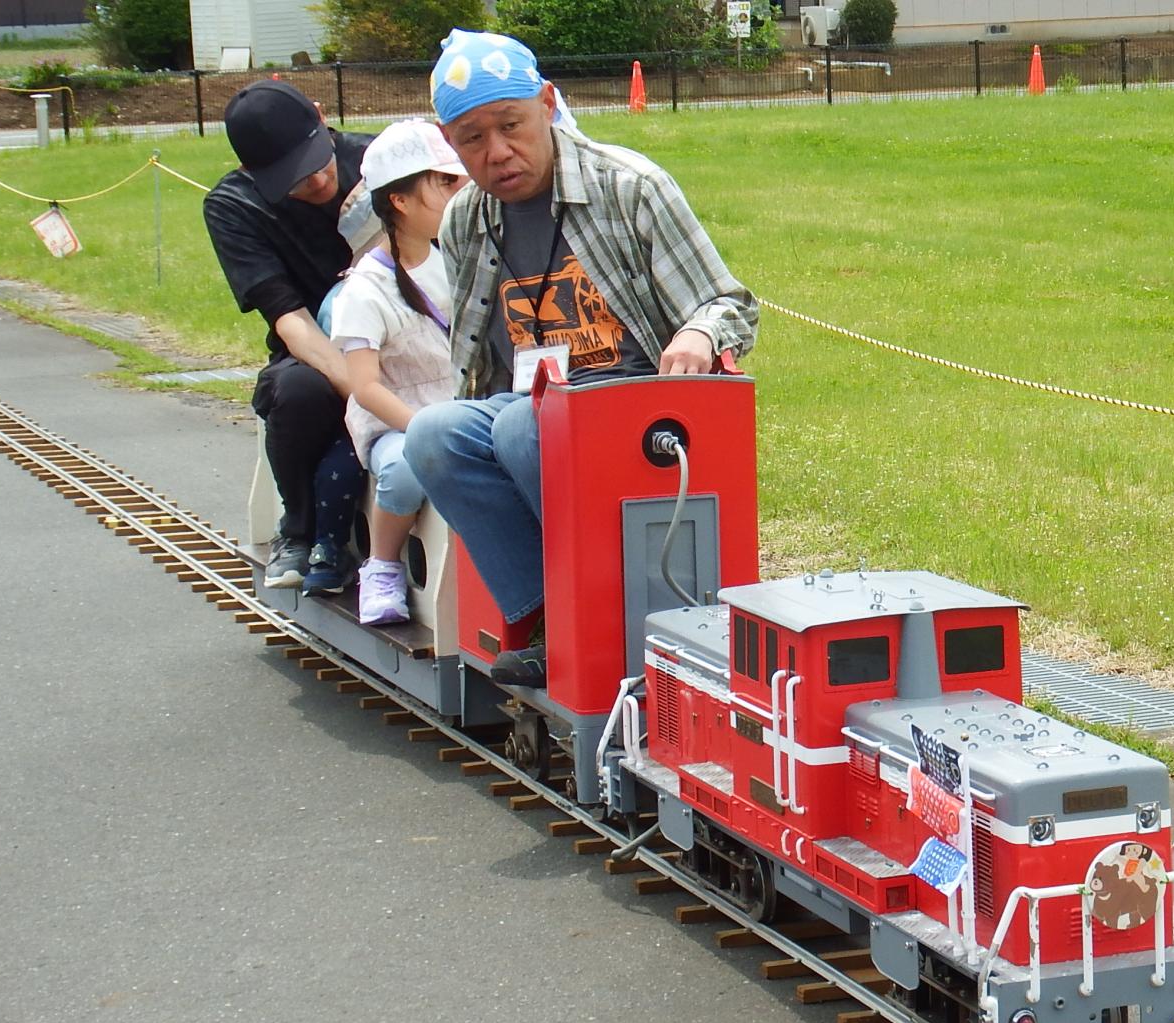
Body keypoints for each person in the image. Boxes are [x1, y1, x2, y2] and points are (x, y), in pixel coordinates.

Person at [405, 30, 759, 686]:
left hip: (640, 414)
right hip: (538, 406)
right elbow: (478, 366)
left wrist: (699, 336)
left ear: (546, 103)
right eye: (471, 140)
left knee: (525, 423)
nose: (498, 153)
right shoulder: (463, 223)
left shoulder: (629, 187)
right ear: (448, 142)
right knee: (432, 435)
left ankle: (605, 608)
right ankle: (546, 616)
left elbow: (728, 302)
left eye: (511, 125)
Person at [202, 80, 377, 592]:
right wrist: (360, 389)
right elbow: (289, 318)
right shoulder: (234, 207)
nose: (315, 181)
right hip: (315, 347)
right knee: (296, 391)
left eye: (316, 160)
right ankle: (298, 530)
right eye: (291, 179)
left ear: (323, 118)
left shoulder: (378, 161)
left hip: (406, 331)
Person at [323, 121, 468, 624]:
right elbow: (365, 387)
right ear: (401, 201)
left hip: (461, 411)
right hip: (397, 423)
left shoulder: (459, 258)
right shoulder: (365, 289)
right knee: (408, 466)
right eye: (445, 183)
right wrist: (426, 430)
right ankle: (381, 566)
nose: (461, 190)